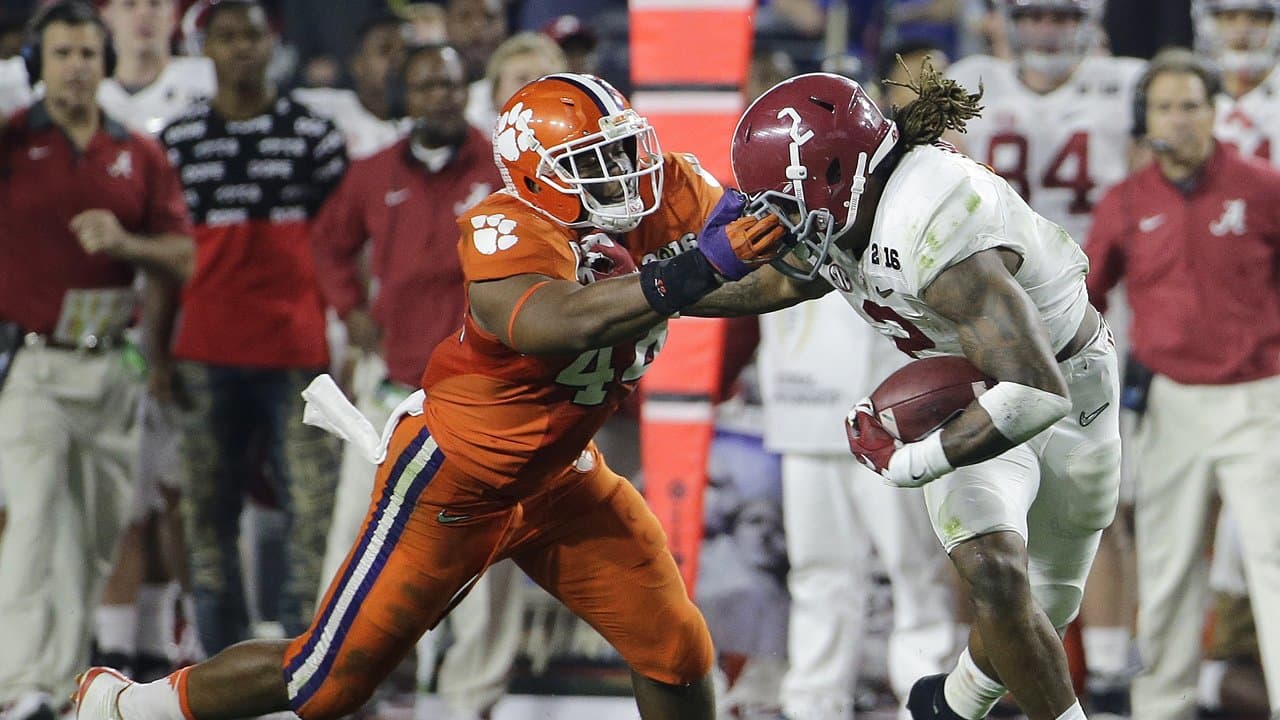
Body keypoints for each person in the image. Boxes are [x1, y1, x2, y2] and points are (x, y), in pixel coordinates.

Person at [73, 71, 791, 720]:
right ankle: (127, 708)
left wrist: (832, 253)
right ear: (536, 177)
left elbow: (767, 271)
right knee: (325, 683)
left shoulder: (651, 190)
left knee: (676, 648)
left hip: (562, 477)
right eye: (591, 164)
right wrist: (695, 270)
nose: (623, 177)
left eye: (623, 151)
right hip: (455, 480)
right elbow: (555, 322)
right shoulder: (505, 227)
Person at [701, 65, 1123, 720]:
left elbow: (1038, 390)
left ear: (838, 175)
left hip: (1066, 382)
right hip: (964, 386)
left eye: (784, 199)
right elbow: (783, 284)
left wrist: (909, 461)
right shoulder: (849, 200)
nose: (776, 220)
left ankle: (952, 705)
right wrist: (661, 296)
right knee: (995, 575)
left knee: (1048, 603)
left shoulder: (932, 217)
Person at [309, 43, 517, 720]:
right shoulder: (371, 175)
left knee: (485, 548)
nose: (440, 97)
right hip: (392, 382)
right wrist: (350, 309)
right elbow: (327, 242)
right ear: (406, 96)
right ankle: (337, 678)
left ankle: (470, 697)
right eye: (426, 85)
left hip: (481, 388)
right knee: (355, 532)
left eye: (451, 85)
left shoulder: (501, 168)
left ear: (467, 91)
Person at [946, 2, 1145, 703]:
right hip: (986, 314)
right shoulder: (969, 79)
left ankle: (1114, 667)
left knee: (1099, 497)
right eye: (1032, 12)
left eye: (1063, 13)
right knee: (974, 502)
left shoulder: (1129, 84)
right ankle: (978, 664)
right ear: (1001, 18)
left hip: (1089, 315)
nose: (1048, 29)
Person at [0, 2, 193, 718]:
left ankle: (52, 684)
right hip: (37, 364)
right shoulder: (12, 143)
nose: (77, 66)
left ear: (104, 63)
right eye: (62, 53)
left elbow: (181, 255)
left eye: (88, 52)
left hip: (115, 365)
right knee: (33, 523)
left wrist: (124, 245)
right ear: (35, 67)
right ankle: (16, 682)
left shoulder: (139, 154)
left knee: (94, 536)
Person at [1085, 49, 1280, 720]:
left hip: (1260, 398)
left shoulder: (1263, 186)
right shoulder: (1126, 200)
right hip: (1169, 403)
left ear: (1214, 111)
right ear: (1145, 119)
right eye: (1166, 106)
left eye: (1193, 105)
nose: (1181, 119)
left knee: (1275, 566)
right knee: (1166, 574)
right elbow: (1086, 298)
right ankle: (1161, 708)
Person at [154, 0, 347, 654]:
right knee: (207, 516)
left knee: (311, 512)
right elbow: (164, 263)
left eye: (252, 36)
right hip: (204, 353)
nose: (240, 48)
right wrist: (156, 354)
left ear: (274, 44)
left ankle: (302, 658)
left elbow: (344, 250)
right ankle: (219, 663)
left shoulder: (315, 137)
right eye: (226, 36)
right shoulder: (177, 141)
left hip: (296, 353)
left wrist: (349, 332)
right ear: (204, 48)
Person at [293, 13, 407, 160]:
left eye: (406, 51)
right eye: (384, 51)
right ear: (357, 64)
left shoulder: (423, 124)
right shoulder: (319, 108)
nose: (398, 60)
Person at [465, 30, 566, 132]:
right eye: (521, 79)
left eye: (545, 78)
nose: (534, 88)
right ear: (495, 92)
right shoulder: (469, 129)